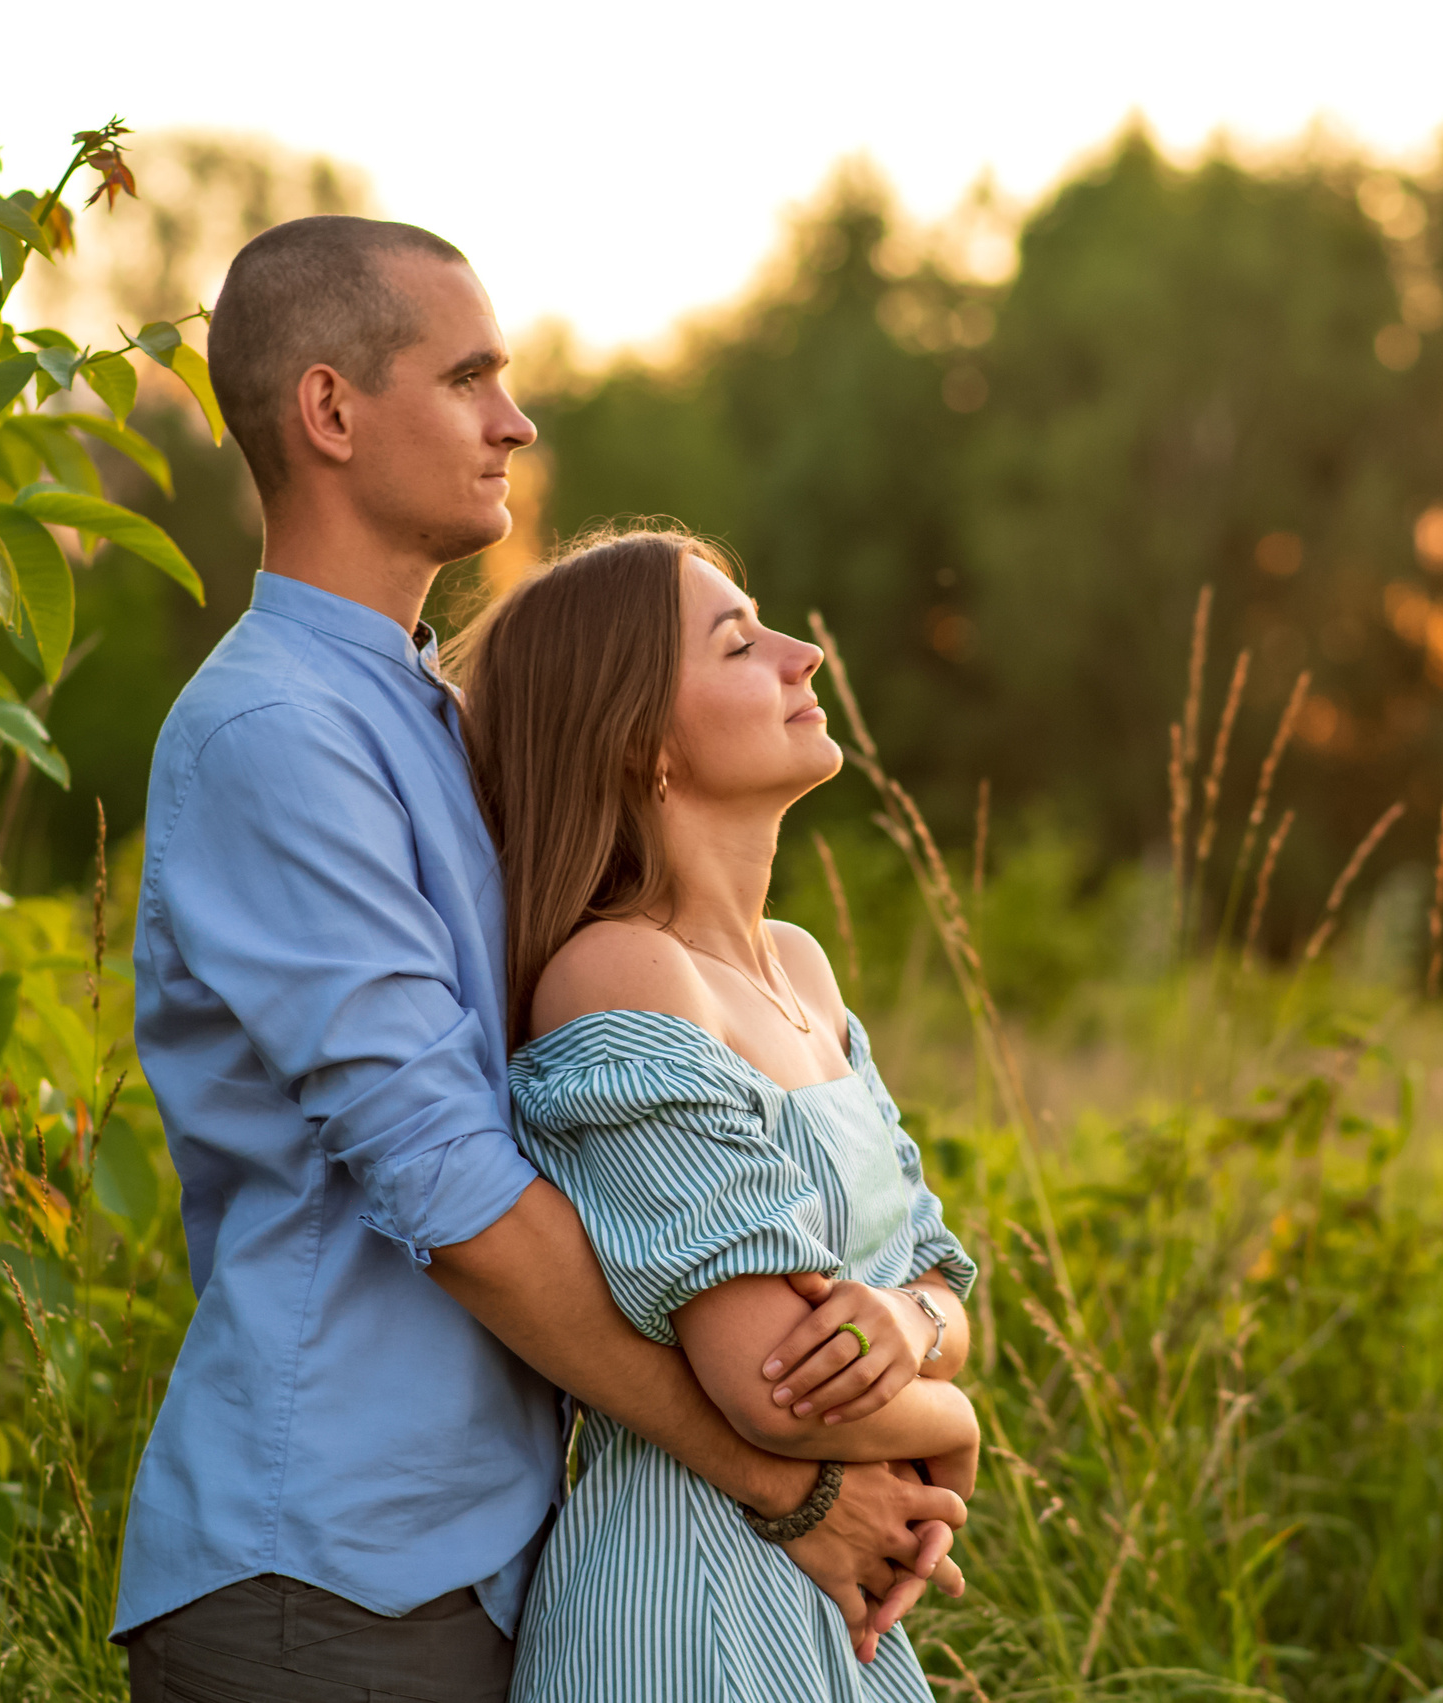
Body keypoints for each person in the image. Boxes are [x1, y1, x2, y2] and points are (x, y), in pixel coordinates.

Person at [112, 216, 964, 1703]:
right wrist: (784, 1481)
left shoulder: (428, 719)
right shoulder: (275, 734)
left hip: (485, 1547)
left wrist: (903, 1340)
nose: (518, 419)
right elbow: (450, 1190)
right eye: (467, 378)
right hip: (329, 1564)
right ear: (329, 412)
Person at [452, 527, 979, 1702]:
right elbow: (772, 1385)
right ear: (643, 743)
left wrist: (903, 1319)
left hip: (821, 1587)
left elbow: (942, 1282)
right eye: (741, 642)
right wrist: (955, 1417)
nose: (805, 656)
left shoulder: (801, 970)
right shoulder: (618, 973)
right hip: (688, 1600)